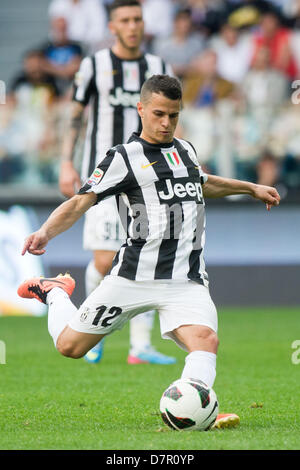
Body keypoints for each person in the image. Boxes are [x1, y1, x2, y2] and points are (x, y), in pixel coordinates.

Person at [18, 74, 281, 430]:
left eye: (174, 115)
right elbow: (81, 201)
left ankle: (195, 406)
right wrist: (45, 232)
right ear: (141, 109)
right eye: (159, 113)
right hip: (132, 277)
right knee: (70, 347)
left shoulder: (185, 150)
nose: (166, 122)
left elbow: (203, 183)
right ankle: (54, 293)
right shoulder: (123, 158)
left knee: (205, 340)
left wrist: (250, 188)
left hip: (185, 279)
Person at [58, 0, 176, 365]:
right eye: (124, 20)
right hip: (104, 176)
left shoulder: (158, 67)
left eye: (137, 19)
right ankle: (92, 331)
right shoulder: (94, 65)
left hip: (148, 176)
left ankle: (140, 347)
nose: (132, 26)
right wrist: (66, 161)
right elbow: (76, 116)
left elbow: (171, 119)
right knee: (106, 258)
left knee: (147, 255)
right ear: (112, 26)